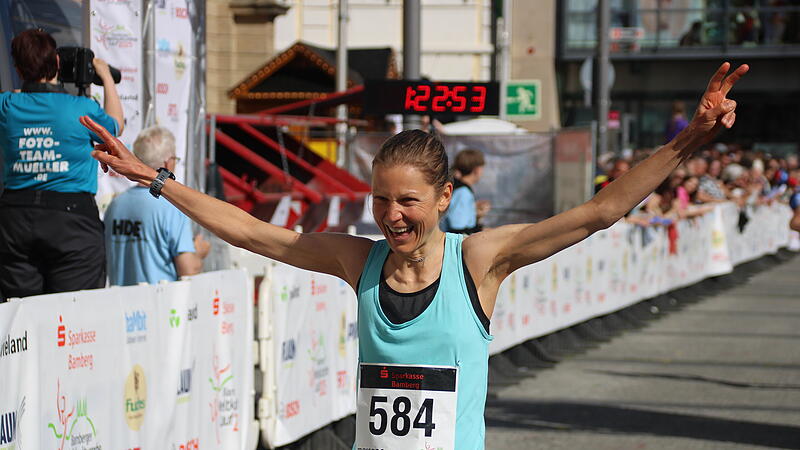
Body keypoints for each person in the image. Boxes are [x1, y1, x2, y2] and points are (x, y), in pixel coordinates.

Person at [82, 61, 748, 450]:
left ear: (443, 198)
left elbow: (600, 211)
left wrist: (690, 139)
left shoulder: (481, 259)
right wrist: (154, 180)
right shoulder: (358, 261)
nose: (391, 216)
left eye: (407, 202)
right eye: (379, 201)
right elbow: (255, 233)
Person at [0, 29, 123, 300]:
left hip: (15, 219)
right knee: (72, 313)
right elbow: (116, 127)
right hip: (71, 220)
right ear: (57, 63)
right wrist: (105, 77)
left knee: (20, 315)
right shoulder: (80, 107)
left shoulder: (7, 105)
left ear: (18, 69)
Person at [104, 126, 209, 286]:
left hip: (120, 304)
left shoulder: (115, 206)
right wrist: (199, 254)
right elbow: (188, 270)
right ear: (167, 164)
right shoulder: (172, 206)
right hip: (159, 304)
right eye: (175, 159)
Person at [440, 148, 489, 234]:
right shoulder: (463, 192)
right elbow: (458, 229)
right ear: (477, 170)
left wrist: (476, 214)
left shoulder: (458, 188)